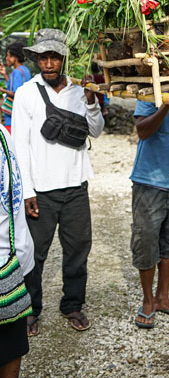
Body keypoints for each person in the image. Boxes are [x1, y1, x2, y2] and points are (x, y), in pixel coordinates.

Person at [12, 29, 104, 337]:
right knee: (35, 254)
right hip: (41, 190)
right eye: (44, 57)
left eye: (54, 57)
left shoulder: (79, 90)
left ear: (63, 59)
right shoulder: (26, 93)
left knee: (77, 250)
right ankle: (30, 309)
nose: (49, 64)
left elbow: (96, 131)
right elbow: (20, 146)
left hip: (76, 186)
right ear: (36, 58)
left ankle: (73, 305)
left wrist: (91, 102)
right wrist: (26, 191)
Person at [130, 98, 169, 329]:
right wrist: (166, 104)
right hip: (149, 181)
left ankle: (162, 297)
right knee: (146, 241)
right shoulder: (149, 94)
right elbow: (142, 131)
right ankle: (148, 300)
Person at [0, 124, 34, 378]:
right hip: (7, 256)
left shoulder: (3, 133)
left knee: (13, 337)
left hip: (12, 257)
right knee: (11, 337)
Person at [0, 43, 31, 133]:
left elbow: (17, 93)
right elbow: (15, 87)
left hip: (13, 118)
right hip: (21, 116)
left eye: (8, 56)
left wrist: (1, 90)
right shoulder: (25, 70)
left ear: (15, 58)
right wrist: (5, 74)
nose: (6, 58)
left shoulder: (17, 72)